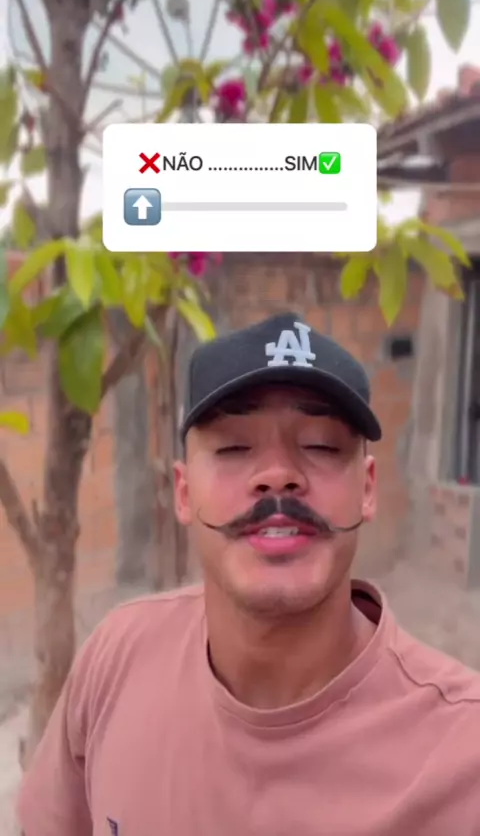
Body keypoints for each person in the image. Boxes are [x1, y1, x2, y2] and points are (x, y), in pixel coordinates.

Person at [17, 311, 480, 836]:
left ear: (367, 488)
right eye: (234, 447)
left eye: (321, 446)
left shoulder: (462, 759)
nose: (278, 476)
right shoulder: (115, 660)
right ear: (184, 492)